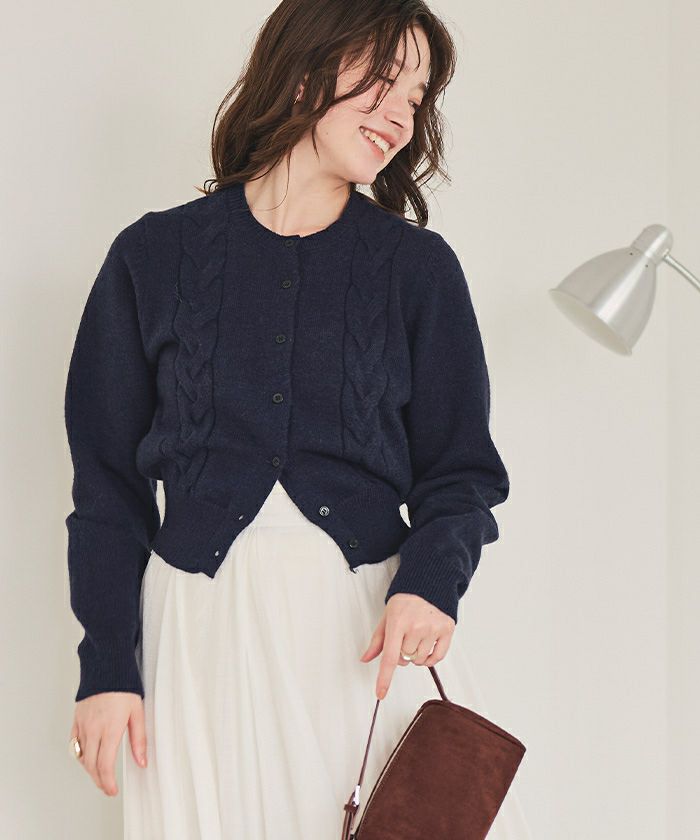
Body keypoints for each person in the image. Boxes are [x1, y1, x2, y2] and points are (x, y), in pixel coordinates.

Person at [64, 0, 530, 837]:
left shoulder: (417, 269)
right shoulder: (152, 256)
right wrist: (106, 667)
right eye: (384, 80)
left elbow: (462, 472)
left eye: (417, 97)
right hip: (195, 633)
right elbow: (106, 488)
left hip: (360, 628)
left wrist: (430, 584)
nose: (401, 115)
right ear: (306, 68)